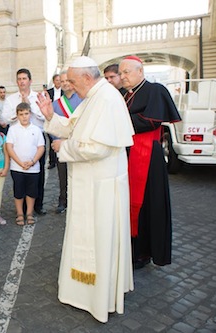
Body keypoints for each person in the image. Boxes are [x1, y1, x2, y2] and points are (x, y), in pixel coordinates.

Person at [36, 56, 135, 323]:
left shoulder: (105, 98)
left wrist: (62, 149)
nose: (68, 84)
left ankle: (97, 297)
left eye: (72, 80)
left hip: (99, 188)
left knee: (97, 240)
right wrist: (49, 116)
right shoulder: (94, 96)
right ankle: (84, 292)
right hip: (91, 184)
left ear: (88, 78)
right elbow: (74, 127)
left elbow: (97, 147)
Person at [119, 55, 181, 269]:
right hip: (126, 154)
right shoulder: (124, 95)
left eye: (127, 72)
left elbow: (151, 121)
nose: (123, 76)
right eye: (121, 73)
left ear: (140, 71)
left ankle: (144, 252)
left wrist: (117, 122)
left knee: (148, 204)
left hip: (147, 157)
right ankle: (131, 247)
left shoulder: (155, 90)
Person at [2, 68, 47, 215]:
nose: (22, 81)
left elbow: (44, 116)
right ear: (17, 82)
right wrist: (19, 110)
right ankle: (22, 208)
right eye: (19, 79)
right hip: (17, 140)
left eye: (24, 79)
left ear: (30, 81)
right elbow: (5, 118)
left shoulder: (38, 97)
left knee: (37, 175)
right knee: (19, 175)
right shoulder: (11, 99)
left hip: (36, 138)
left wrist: (30, 106)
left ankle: (37, 205)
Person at [6, 102, 45, 226]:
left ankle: (29, 213)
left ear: (30, 114)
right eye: (21, 114)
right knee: (19, 192)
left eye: (26, 114)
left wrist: (33, 161)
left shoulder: (37, 129)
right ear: (17, 115)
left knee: (31, 192)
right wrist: (20, 162)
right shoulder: (13, 129)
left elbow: (41, 147)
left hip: (33, 167)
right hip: (17, 167)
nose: (24, 117)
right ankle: (19, 213)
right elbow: (9, 147)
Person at [50, 70, 83, 214]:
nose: (64, 83)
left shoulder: (83, 100)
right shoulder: (56, 104)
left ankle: (78, 202)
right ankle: (63, 201)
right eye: (61, 81)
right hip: (61, 146)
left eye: (67, 80)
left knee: (79, 176)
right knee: (62, 175)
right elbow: (51, 124)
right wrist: (57, 141)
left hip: (78, 145)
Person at [46, 74, 62, 169]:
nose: (58, 82)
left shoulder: (64, 92)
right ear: (53, 81)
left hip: (61, 118)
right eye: (57, 80)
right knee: (52, 140)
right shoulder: (49, 92)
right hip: (51, 117)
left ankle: (61, 159)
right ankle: (52, 161)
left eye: (60, 80)